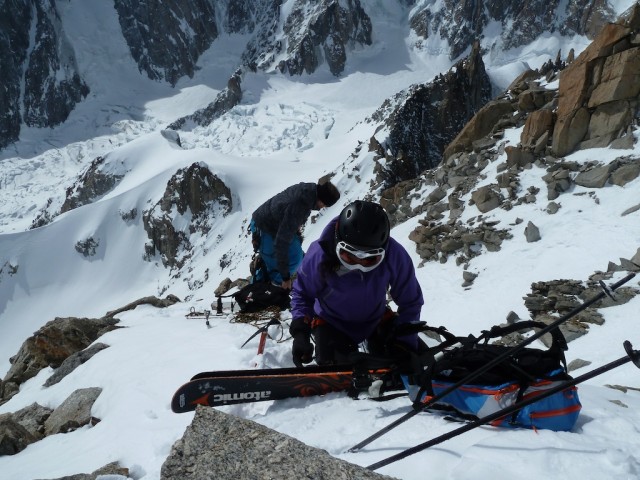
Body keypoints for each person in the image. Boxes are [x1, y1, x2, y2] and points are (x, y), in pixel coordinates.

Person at [289, 200, 424, 367]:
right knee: (339, 373)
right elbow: (302, 294)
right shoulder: (319, 254)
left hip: (376, 318)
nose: (358, 264)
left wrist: (405, 341)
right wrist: (300, 332)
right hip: (331, 322)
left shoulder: (394, 254)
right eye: (348, 257)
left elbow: (411, 301)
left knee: (406, 363)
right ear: (337, 242)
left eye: (370, 260)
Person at [251, 180, 340, 290]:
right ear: (322, 200)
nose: (322, 208)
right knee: (294, 260)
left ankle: (269, 261)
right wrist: (285, 278)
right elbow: (281, 243)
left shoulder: (309, 191)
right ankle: (274, 285)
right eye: (325, 205)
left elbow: (290, 217)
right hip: (263, 227)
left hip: (273, 222)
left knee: (297, 255)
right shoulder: (300, 205)